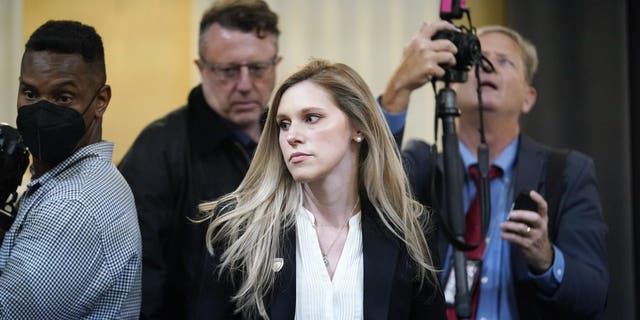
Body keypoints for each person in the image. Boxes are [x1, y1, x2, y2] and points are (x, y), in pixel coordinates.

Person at [379, 23, 609, 319]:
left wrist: (547, 259)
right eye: (477, 59)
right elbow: (362, 190)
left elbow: (594, 294)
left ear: (529, 97)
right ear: (452, 85)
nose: (486, 68)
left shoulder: (566, 173)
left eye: (504, 61)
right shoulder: (423, 165)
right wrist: (399, 87)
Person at [194, 59, 445, 319]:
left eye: (311, 118)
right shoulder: (239, 228)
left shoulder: (407, 229)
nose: (292, 136)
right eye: (284, 124)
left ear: (358, 127)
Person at [117, 0, 281, 318]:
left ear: (277, 63)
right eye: (229, 70)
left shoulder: (290, 140)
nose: (245, 85)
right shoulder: (158, 150)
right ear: (201, 68)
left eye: (258, 68)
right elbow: (139, 282)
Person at [0, 20, 142, 318]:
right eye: (30, 93)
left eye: (62, 97)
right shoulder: (83, 181)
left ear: (100, 101)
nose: (40, 109)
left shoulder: (71, 205)